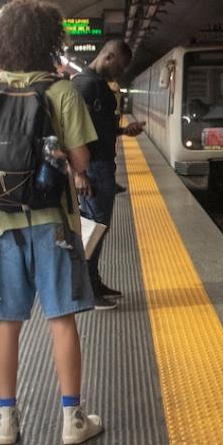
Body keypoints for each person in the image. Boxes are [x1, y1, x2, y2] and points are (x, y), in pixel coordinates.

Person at [0, 0, 104, 445]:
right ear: (50, 41)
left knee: (6, 322)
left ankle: (7, 421)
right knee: (61, 319)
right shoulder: (61, 91)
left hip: (0, 223)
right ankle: (73, 420)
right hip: (54, 222)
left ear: (3, 42)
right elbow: (82, 159)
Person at [71, 40, 144, 310]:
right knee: (93, 230)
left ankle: (95, 281)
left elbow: (96, 129)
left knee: (99, 229)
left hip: (102, 166)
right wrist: (79, 174)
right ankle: (88, 290)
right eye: (120, 66)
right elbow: (73, 131)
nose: (121, 72)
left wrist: (125, 131)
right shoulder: (85, 85)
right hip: (91, 168)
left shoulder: (97, 85)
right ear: (108, 56)